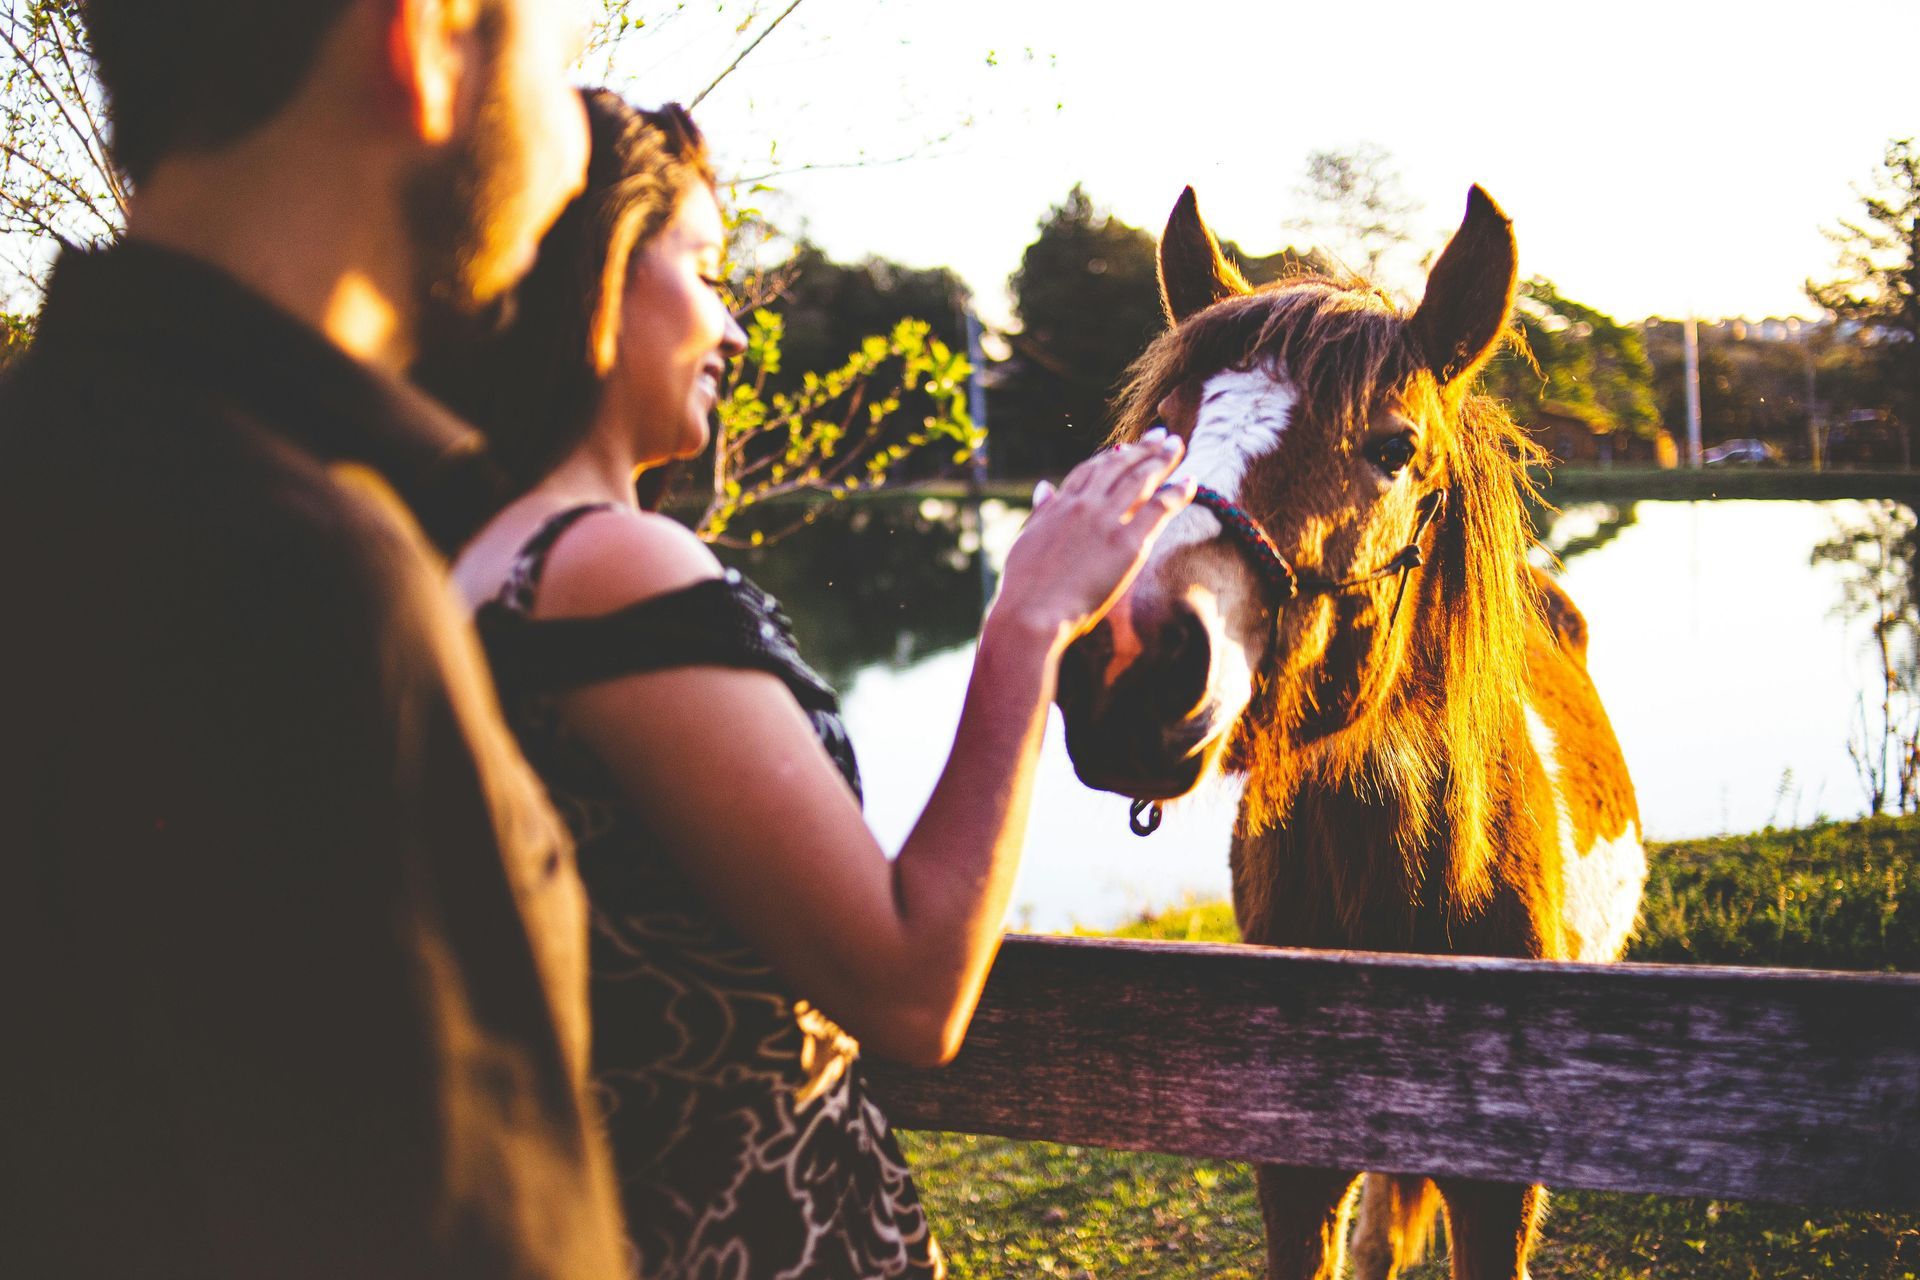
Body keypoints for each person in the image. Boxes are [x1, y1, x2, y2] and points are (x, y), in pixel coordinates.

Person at [419, 90, 1196, 1278]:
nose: (732, 330)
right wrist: (1028, 620)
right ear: (599, 270)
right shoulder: (611, 565)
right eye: (702, 267)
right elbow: (912, 987)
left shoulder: (469, 565)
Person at [0, 2, 630, 1276]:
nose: (573, 140)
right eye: (556, 59)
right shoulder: (310, 590)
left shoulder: (54, 475)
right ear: (427, 42)